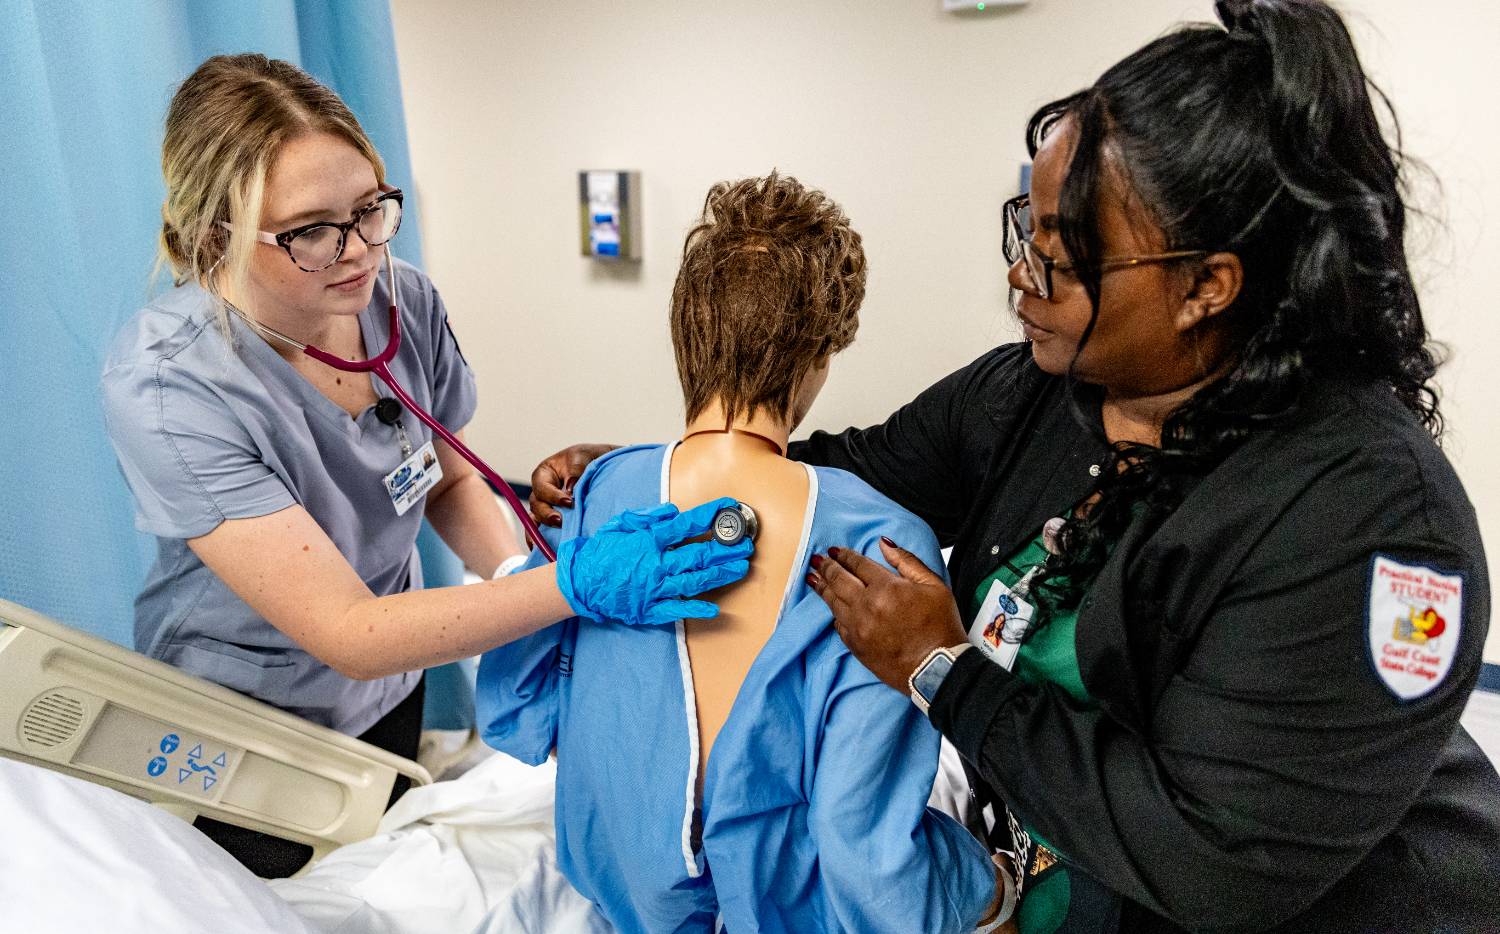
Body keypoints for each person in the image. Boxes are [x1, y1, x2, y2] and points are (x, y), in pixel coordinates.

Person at [531, 2, 1500, 931]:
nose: (1019, 281)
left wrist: (943, 668)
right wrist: (655, 471)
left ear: (1207, 286)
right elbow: (840, 477)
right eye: (1024, 237)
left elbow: (1211, 860)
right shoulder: (1036, 393)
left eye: (1064, 260)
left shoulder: (1372, 521)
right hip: (1076, 871)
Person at [101, 54, 750, 877]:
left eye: (372, 208)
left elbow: (448, 480)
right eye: (312, 231)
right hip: (249, 720)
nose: (359, 249)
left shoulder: (401, 299)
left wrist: (521, 569)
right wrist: (567, 588)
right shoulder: (170, 388)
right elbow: (347, 634)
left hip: (390, 681)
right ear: (214, 236)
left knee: (385, 871)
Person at [480, 174, 1003, 933]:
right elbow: (864, 847)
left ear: (685, 332)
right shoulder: (884, 549)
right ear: (822, 352)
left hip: (624, 906)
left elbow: (514, 701)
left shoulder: (592, 495)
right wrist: (987, 893)